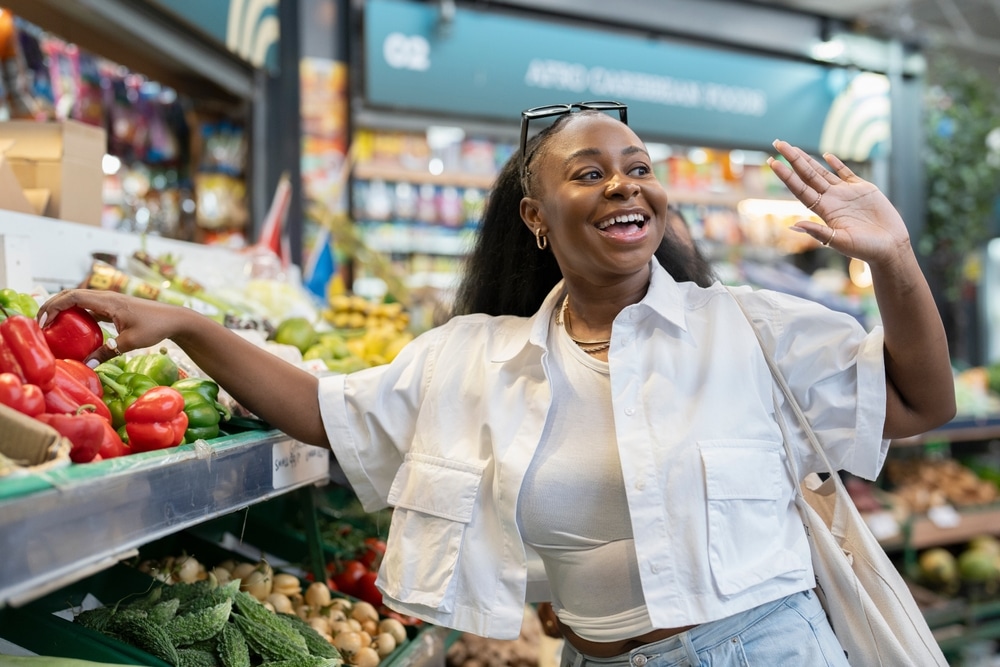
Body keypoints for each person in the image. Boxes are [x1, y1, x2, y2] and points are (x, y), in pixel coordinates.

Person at [38, 101, 955, 666]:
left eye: (638, 169)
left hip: (765, 652)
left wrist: (894, 258)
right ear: (535, 215)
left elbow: (919, 403)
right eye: (588, 173)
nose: (622, 187)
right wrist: (193, 327)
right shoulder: (476, 358)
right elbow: (323, 410)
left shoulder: (747, 327)